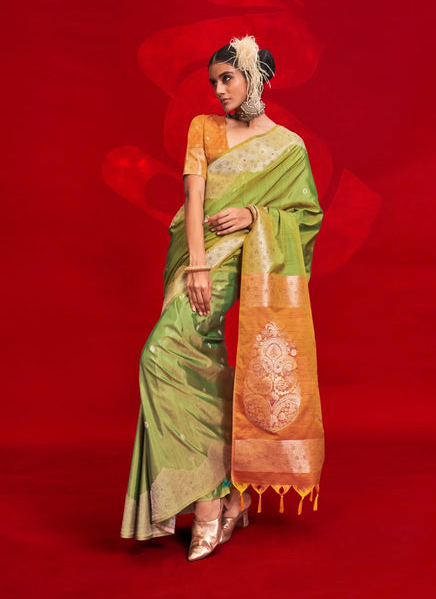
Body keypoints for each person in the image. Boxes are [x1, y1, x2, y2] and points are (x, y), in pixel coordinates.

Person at [120, 35, 325, 561]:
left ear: (254, 77)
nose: (219, 90)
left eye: (227, 78)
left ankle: (210, 501)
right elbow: (193, 199)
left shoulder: (288, 147)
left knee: (162, 355)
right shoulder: (204, 128)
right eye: (214, 81)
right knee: (192, 362)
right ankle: (231, 492)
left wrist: (255, 215)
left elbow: (306, 218)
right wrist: (197, 264)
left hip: (242, 261)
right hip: (195, 260)